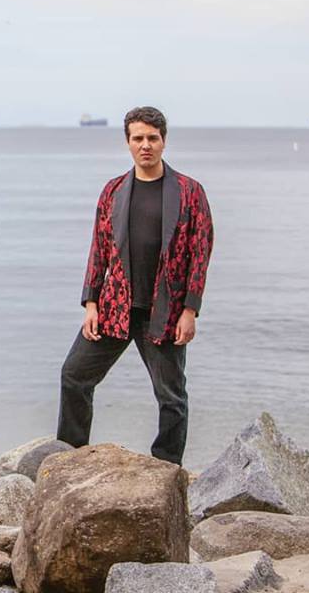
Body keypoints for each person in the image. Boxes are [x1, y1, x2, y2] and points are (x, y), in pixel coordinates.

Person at [57, 106, 214, 465]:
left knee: (171, 397)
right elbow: (99, 250)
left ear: (164, 141)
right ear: (128, 142)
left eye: (152, 138)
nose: (146, 145)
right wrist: (90, 303)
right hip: (114, 307)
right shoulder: (113, 191)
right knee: (74, 376)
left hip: (165, 312)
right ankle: (68, 458)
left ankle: (166, 467)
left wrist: (190, 310)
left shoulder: (189, 192)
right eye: (138, 138)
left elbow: (200, 253)